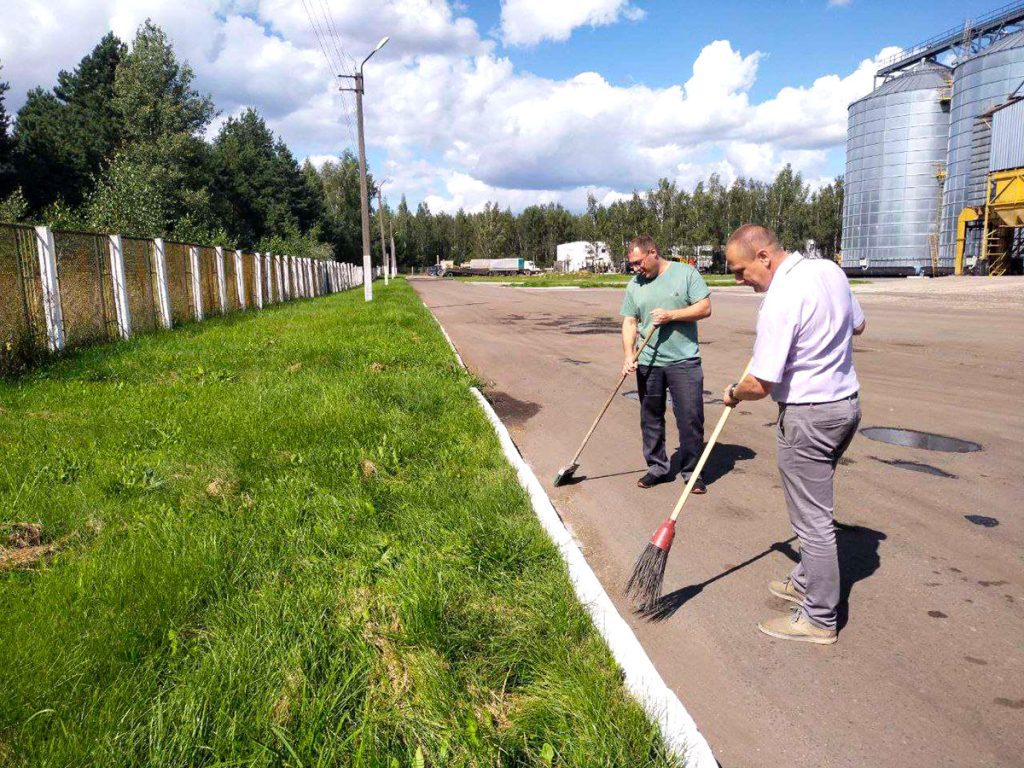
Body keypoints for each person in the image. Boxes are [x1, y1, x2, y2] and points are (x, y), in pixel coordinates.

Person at [721, 224, 865, 645]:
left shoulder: (781, 299)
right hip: (845, 408)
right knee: (815, 507)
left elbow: (761, 382)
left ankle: (819, 618)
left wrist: (733, 392)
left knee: (812, 520)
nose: (738, 279)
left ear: (764, 257)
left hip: (809, 417)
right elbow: (858, 325)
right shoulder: (830, 271)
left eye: (740, 269)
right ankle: (806, 580)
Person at [620, 236, 712, 491]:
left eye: (639, 262)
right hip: (648, 362)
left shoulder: (685, 273)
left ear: (653, 252)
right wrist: (629, 355)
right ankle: (657, 468)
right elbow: (629, 321)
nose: (636, 268)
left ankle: (692, 471)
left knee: (690, 417)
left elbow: (704, 307)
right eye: (632, 264)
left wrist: (672, 315)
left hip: (684, 361)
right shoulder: (634, 285)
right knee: (650, 417)